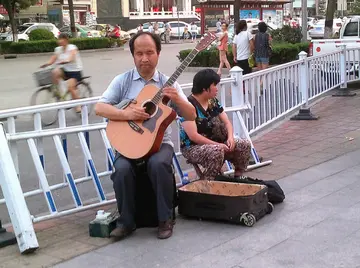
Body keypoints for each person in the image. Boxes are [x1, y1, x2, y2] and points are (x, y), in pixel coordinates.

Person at [95, 32, 196, 240]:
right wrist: (126, 114)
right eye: (139, 53)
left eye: (149, 52)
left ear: (158, 54)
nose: (144, 58)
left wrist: (179, 99)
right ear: (133, 55)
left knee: (158, 164)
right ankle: (126, 222)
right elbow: (99, 107)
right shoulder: (123, 81)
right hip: (130, 142)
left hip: (160, 143)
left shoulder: (168, 84)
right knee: (122, 169)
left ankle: (165, 219)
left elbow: (191, 115)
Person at [179, 69, 251, 180]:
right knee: (216, 151)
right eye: (214, 85)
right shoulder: (187, 106)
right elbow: (193, 136)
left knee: (244, 144)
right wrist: (217, 145)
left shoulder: (213, 101)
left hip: (217, 142)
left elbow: (227, 122)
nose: (217, 88)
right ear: (205, 88)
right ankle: (209, 181)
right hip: (193, 147)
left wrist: (230, 138)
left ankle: (238, 176)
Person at [40, 33, 83, 112]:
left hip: (75, 71)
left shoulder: (72, 48)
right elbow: (53, 59)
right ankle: (60, 93)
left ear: (66, 40)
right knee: (55, 72)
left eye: (61, 39)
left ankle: (78, 105)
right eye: (59, 39)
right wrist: (46, 64)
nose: (59, 41)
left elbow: (71, 57)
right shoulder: (58, 49)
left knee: (71, 87)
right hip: (65, 70)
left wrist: (66, 61)